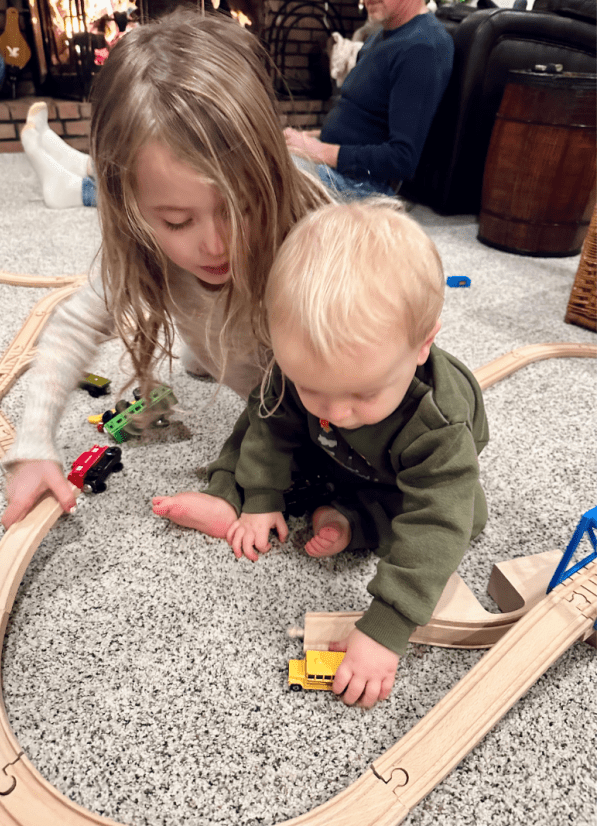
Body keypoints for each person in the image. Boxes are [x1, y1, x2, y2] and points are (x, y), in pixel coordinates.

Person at [1, 9, 332, 529]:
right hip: (227, 351)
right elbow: (73, 326)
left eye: (241, 206)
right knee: (206, 355)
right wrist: (33, 442)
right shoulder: (142, 249)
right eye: (178, 221)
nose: (218, 244)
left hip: (291, 384)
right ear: (130, 208)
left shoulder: (312, 230)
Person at [155, 199, 489, 708]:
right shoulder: (300, 376)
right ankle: (227, 494)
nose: (338, 410)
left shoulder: (437, 421)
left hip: (394, 480)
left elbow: (437, 523)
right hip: (331, 456)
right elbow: (272, 428)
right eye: (313, 387)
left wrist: (385, 629)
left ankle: (353, 520)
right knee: (261, 414)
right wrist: (261, 496)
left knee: (459, 520)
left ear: (423, 346)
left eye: (362, 395)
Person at [284, 0, 454, 198]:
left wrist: (320, 151)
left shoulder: (422, 47)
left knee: (266, 171)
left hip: (362, 187)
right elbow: (366, 127)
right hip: (337, 169)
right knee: (259, 151)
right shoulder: (379, 38)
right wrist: (309, 138)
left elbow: (401, 159)